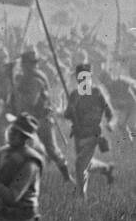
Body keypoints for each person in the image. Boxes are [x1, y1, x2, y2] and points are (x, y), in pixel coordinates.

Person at [10, 50, 71, 181]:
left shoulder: (35, 80)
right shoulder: (28, 77)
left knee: (51, 151)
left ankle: (67, 177)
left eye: (24, 63)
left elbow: (31, 101)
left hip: (41, 120)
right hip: (32, 119)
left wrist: (17, 91)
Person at [62, 63, 115, 200]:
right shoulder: (74, 95)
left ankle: (81, 197)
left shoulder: (97, 93)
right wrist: (70, 110)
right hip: (79, 135)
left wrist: (109, 124)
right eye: (80, 78)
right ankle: (106, 168)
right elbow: (67, 114)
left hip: (93, 134)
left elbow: (110, 114)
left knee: (80, 164)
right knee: (86, 163)